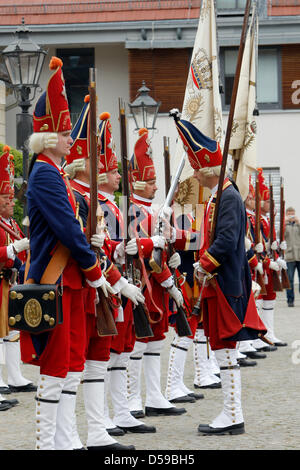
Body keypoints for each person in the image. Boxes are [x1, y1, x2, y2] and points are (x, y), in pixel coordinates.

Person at [20, 57, 112, 450]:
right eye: (62, 131)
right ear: (45, 136)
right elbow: (66, 231)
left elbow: (74, 229)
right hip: (54, 279)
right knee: (56, 367)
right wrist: (95, 269)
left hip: (68, 281)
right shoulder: (43, 172)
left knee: (73, 363)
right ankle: (47, 442)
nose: (69, 137)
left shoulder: (55, 172)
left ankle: (67, 438)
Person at [171, 109, 267, 435]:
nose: (194, 175)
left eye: (197, 169)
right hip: (221, 283)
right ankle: (231, 412)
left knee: (226, 351)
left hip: (226, 283)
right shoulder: (219, 195)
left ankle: (232, 415)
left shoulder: (227, 197)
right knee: (225, 351)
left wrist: (202, 264)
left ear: (209, 169)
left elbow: (226, 240)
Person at [126, 128, 187, 418]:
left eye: (154, 181)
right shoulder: (134, 211)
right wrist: (169, 281)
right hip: (143, 281)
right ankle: (132, 399)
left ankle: (154, 395)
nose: (153, 186)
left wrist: (173, 255)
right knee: (140, 340)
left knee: (157, 339)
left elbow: (164, 250)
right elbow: (148, 256)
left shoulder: (156, 210)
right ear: (136, 182)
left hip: (157, 284)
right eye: (149, 181)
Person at [0, 146, 33, 411]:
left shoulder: (10, 223)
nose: (12, 202)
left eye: (12, 198)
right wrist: (13, 249)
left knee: (11, 332)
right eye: (7, 199)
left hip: (8, 281)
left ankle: (13, 377)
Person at [252, 169, 287, 350]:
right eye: (267, 200)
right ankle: (258, 336)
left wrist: (278, 248)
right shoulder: (256, 218)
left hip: (267, 264)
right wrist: (266, 260)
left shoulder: (266, 219)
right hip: (259, 264)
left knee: (270, 299)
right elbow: (255, 245)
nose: (270, 203)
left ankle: (269, 333)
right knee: (259, 298)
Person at [284, 207, 300, 307]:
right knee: (289, 279)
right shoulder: (285, 225)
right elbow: (281, 235)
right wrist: (285, 223)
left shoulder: (298, 225)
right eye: (289, 213)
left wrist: (298, 223)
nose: (291, 215)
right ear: (286, 214)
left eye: (292, 213)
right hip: (289, 256)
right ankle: (290, 300)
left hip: (299, 255)